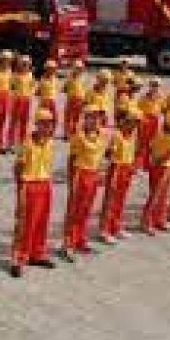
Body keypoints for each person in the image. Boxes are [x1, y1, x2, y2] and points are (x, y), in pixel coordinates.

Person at [10, 108, 56, 278]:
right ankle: (18, 259)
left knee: (41, 222)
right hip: (29, 185)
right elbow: (18, 167)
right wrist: (20, 188)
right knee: (24, 224)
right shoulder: (27, 143)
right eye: (43, 123)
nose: (47, 126)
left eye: (49, 123)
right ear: (37, 124)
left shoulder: (50, 142)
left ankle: (37, 254)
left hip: (44, 184)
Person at [62, 106, 107, 261]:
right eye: (91, 117)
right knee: (74, 211)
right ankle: (68, 244)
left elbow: (100, 157)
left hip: (93, 175)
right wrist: (70, 180)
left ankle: (80, 240)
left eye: (96, 117)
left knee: (86, 210)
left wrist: (100, 173)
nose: (94, 120)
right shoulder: (79, 136)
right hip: (80, 174)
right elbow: (71, 159)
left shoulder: (101, 134)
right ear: (85, 118)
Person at [99, 107, 140, 243]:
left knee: (121, 200)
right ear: (126, 121)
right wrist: (110, 151)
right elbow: (108, 154)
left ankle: (115, 227)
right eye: (133, 122)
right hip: (116, 168)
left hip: (126, 169)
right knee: (111, 200)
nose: (135, 125)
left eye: (137, 123)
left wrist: (132, 166)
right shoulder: (117, 135)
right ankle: (105, 230)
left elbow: (132, 152)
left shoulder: (132, 136)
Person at [141, 112, 170, 236]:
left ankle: (158, 219)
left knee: (161, 195)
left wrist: (152, 160)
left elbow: (150, 147)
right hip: (164, 167)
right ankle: (147, 221)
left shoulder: (159, 134)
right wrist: (157, 161)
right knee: (157, 195)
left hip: (159, 166)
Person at [7, 54, 35, 149]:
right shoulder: (15, 75)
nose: (25, 66)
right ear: (19, 64)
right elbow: (11, 87)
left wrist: (30, 96)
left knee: (24, 122)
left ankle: (22, 142)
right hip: (17, 100)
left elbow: (32, 86)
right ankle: (10, 143)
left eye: (26, 64)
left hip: (27, 100)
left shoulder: (30, 75)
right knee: (14, 122)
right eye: (23, 64)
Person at [136, 78, 164, 169]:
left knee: (152, 142)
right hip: (145, 120)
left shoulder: (161, 98)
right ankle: (138, 163)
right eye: (153, 85)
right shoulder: (143, 97)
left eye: (157, 86)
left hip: (155, 121)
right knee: (142, 141)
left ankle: (147, 163)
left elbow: (164, 109)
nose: (155, 88)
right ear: (150, 86)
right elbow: (138, 110)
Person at [62, 59, 86, 139]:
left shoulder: (84, 78)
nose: (78, 70)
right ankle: (67, 133)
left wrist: (85, 100)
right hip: (71, 98)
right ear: (73, 68)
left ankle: (74, 132)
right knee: (68, 116)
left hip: (80, 99)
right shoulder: (70, 77)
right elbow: (64, 88)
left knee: (77, 117)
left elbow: (85, 89)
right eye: (76, 68)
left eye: (79, 68)